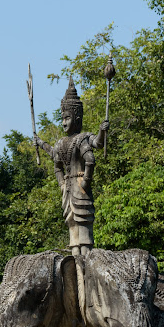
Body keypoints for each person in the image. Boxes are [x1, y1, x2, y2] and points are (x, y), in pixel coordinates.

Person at [33, 78, 108, 257]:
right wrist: (41, 142)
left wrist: (102, 131)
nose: (64, 122)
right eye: (62, 118)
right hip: (68, 193)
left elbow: (95, 149)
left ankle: (86, 274)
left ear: (77, 118)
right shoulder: (61, 143)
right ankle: (76, 272)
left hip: (81, 191)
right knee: (73, 239)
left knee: (85, 238)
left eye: (67, 118)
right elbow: (55, 161)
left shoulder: (82, 139)